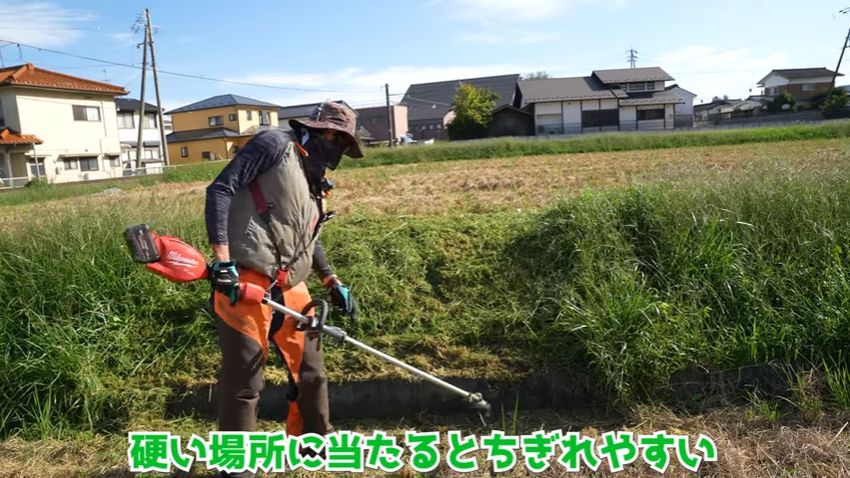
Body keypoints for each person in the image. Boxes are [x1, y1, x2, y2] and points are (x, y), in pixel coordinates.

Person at [204, 101, 362, 468]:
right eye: (340, 142)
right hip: (246, 280)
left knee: (311, 371)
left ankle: (313, 449)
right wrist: (222, 259)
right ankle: (235, 467)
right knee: (245, 382)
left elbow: (306, 236)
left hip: (292, 285)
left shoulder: (314, 175)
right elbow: (220, 191)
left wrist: (331, 278)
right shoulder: (273, 144)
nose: (340, 151)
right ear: (327, 133)